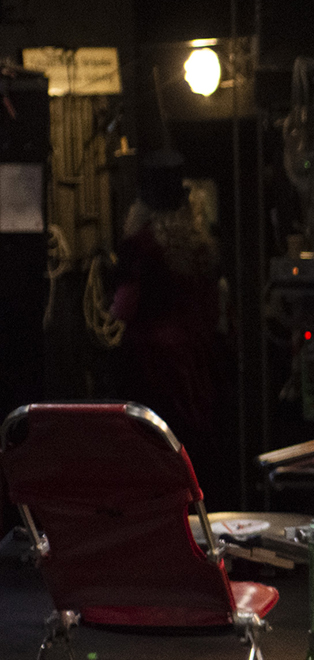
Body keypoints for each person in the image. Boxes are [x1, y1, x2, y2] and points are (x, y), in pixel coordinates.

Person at [110, 149, 222, 478]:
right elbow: (214, 309)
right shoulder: (203, 246)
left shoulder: (140, 246)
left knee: (152, 454)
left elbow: (123, 309)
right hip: (197, 363)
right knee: (191, 452)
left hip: (151, 367)